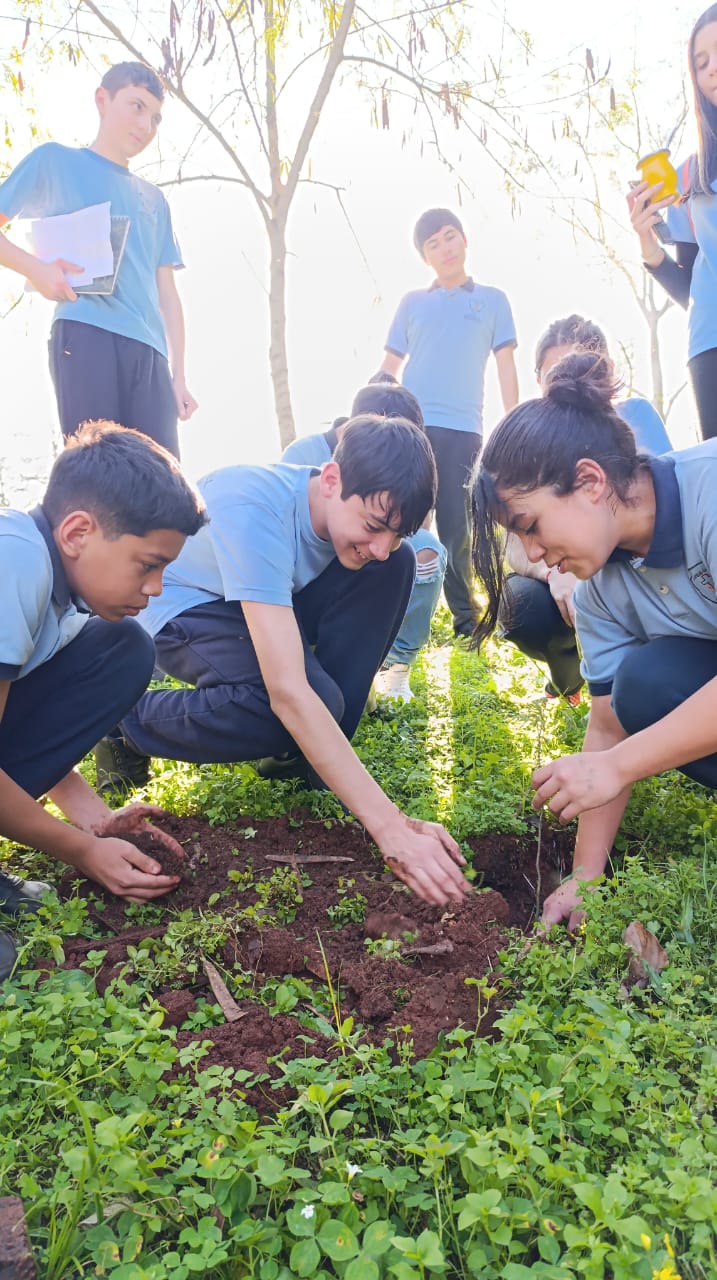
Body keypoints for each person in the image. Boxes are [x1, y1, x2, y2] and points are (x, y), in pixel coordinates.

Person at [95, 416, 470, 906]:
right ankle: (122, 724)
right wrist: (390, 826)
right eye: (374, 526)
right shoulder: (254, 506)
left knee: (393, 570)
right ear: (331, 480)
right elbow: (288, 691)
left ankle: (308, 760)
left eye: (396, 532)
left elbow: (377, 554)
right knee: (289, 706)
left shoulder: (371, 542)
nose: (380, 546)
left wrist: (391, 544)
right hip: (189, 606)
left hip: (265, 602)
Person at [470, 351, 717, 929]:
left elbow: (615, 759)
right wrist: (584, 879)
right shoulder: (599, 586)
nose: (532, 554)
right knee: (641, 686)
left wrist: (619, 767)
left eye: (531, 525)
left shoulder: (710, 493)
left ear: (589, 480)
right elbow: (607, 725)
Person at [0, 422, 207, 981]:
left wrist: (95, 821)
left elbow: (19, 729)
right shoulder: (13, 564)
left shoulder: (58, 589)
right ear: (77, 533)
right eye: (148, 564)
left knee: (122, 648)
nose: (157, 587)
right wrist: (80, 852)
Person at [0, 62, 197, 458]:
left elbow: (168, 296)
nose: (146, 125)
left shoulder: (154, 200)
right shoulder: (54, 161)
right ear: (102, 100)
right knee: (98, 473)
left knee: (162, 481)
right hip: (85, 333)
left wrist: (179, 377)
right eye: (136, 106)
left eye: (156, 118)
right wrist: (37, 269)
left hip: (150, 353)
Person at [499, 315, 672, 704]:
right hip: (572, 580)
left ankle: (637, 664)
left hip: (641, 577)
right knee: (523, 604)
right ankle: (573, 676)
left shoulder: (636, 416)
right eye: (553, 374)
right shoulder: (528, 445)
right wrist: (553, 571)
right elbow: (512, 545)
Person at [380, 207, 518, 638]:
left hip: (464, 430)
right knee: (404, 521)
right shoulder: (412, 303)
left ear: (464, 240)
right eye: (432, 244)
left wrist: (513, 428)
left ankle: (465, 617)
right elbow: (389, 366)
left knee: (458, 529)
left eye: (449, 236)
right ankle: (394, 612)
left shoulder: (493, 300)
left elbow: (506, 367)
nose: (444, 248)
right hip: (412, 428)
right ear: (425, 257)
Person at [282, 383, 447, 703]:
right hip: (300, 578)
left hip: (354, 569)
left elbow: (413, 525)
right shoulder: (302, 455)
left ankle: (390, 665)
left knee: (413, 553)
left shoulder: (388, 544)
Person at [627, 6, 717, 441]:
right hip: (712, 346)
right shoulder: (689, 176)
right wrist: (649, 247)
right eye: (701, 63)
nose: (713, 68)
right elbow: (694, 290)